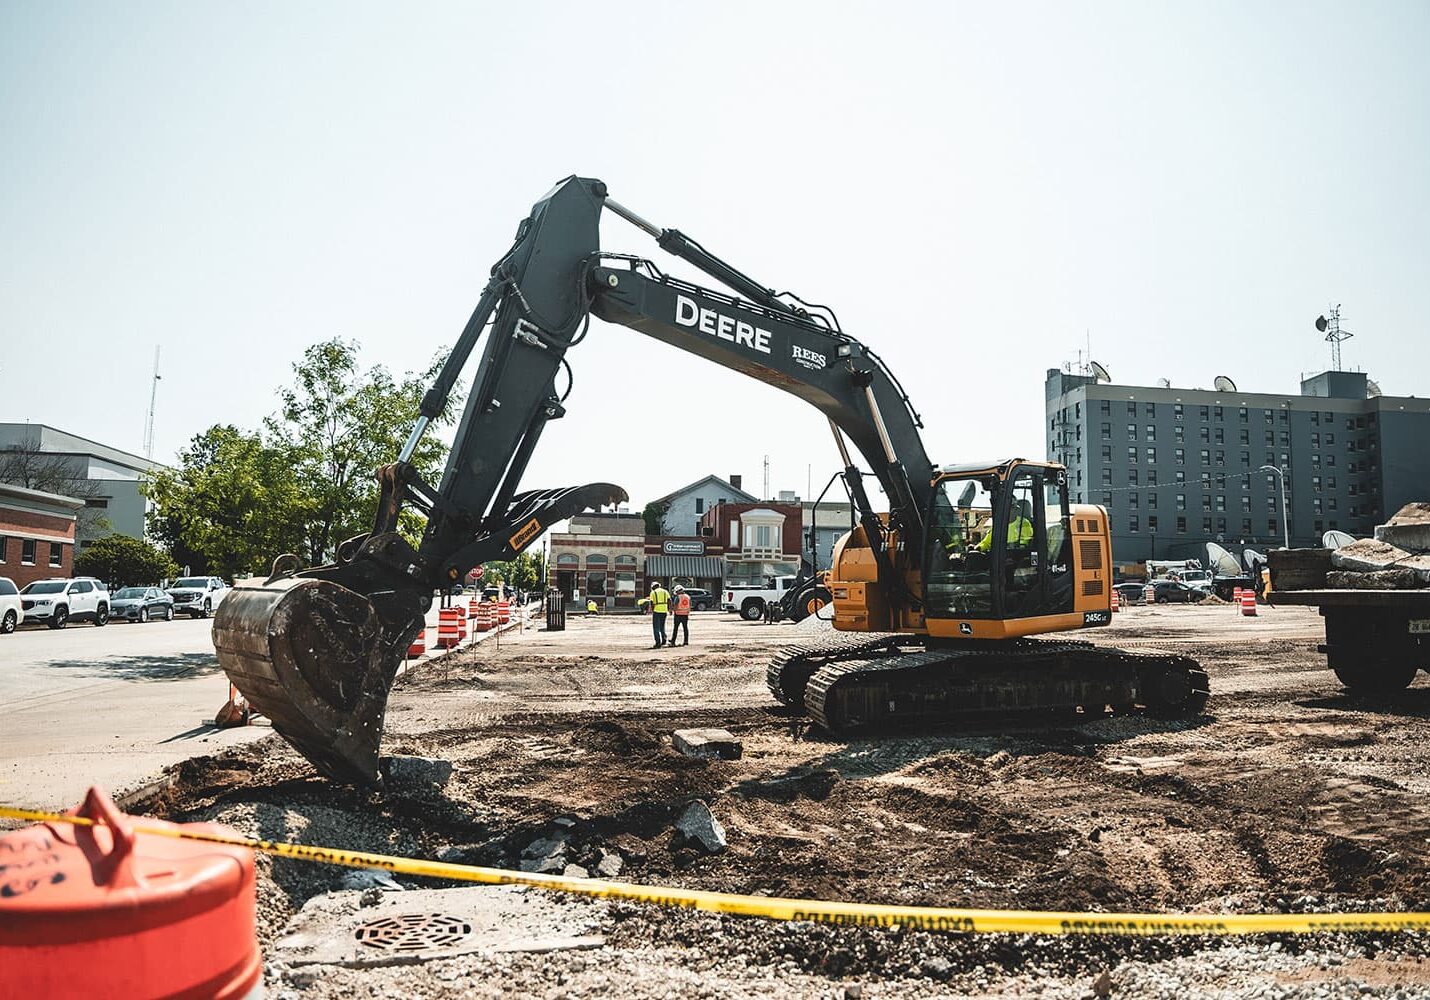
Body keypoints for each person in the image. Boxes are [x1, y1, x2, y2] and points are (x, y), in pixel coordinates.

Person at [638, 580, 671, 648]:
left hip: (657, 610)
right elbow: (669, 600)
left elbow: (652, 603)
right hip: (664, 610)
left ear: (653, 587)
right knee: (662, 626)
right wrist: (669, 609)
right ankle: (664, 640)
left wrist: (652, 610)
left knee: (656, 627)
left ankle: (658, 643)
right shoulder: (665, 591)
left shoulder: (653, 592)